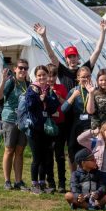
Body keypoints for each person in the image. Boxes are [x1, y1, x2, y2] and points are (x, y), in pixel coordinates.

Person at [33, 19, 106, 90]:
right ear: (66, 59)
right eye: (69, 57)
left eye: (74, 56)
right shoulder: (62, 70)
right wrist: (44, 37)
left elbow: (97, 51)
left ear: (78, 57)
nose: (72, 59)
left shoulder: (84, 70)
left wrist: (103, 32)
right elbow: (51, 55)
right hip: (67, 102)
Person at [0, 58, 30, 191]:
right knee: (9, 150)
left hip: (23, 121)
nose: (23, 70)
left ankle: (18, 181)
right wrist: (3, 80)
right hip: (9, 119)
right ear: (15, 69)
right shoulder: (11, 82)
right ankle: (7, 181)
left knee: (20, 151)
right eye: (20, 67)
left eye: (25, 68)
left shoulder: (28, 84)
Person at [24, 65, 60, 194]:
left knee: (45, 157)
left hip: (46, 128)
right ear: (36, 76)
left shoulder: (49, 90)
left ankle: (42, 183)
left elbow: (55, 105)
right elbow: (29, 105)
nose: (42, 77)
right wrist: (39, 100)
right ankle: (34, 184)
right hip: (34, 128)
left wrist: (47, 99)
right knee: (36, 158)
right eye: (39, 75)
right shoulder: (32, 89)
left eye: (44, 75)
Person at [62, 66, 93, 174]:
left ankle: (89, 178)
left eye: (88, 76)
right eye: (83, 77)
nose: (86, 79)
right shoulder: (74, 91)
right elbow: (63, 109)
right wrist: (73, 97)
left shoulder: (95, 90)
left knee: (90, 153)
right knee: (72, 152)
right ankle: (74, 177)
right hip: (77, 125)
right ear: (78, 78)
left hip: (90, 125)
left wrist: (92, 93)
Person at [46, 63, 69, 193]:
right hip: (48, 125)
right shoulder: (42, 88)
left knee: (59, 154)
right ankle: (51, 182)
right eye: (48, 76)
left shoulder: (61, 87)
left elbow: (66, 104)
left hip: (60, 124)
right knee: (48, 154)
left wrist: (58, 96)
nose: (50, 79)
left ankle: (61, 182)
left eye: (53, 76)